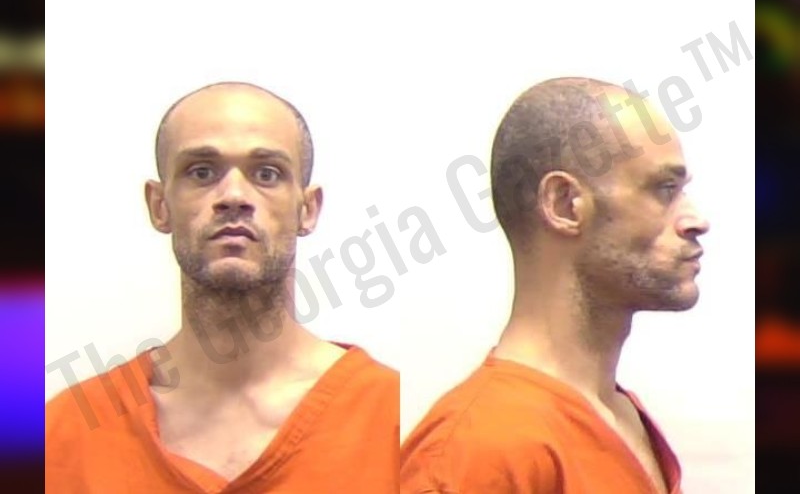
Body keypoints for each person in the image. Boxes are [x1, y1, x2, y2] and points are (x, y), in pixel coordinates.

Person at [46, 82, 399, 493]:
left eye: (266, 173)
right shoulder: (64, 438)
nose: (233, 196)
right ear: (160, 206)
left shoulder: (390, 420)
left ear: (308, 209)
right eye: (202, 172)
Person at [400, 77, 709, 494]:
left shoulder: (622, 416)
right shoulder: (478, 452)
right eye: (664, 189)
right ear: (564, 205)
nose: (696, 221)